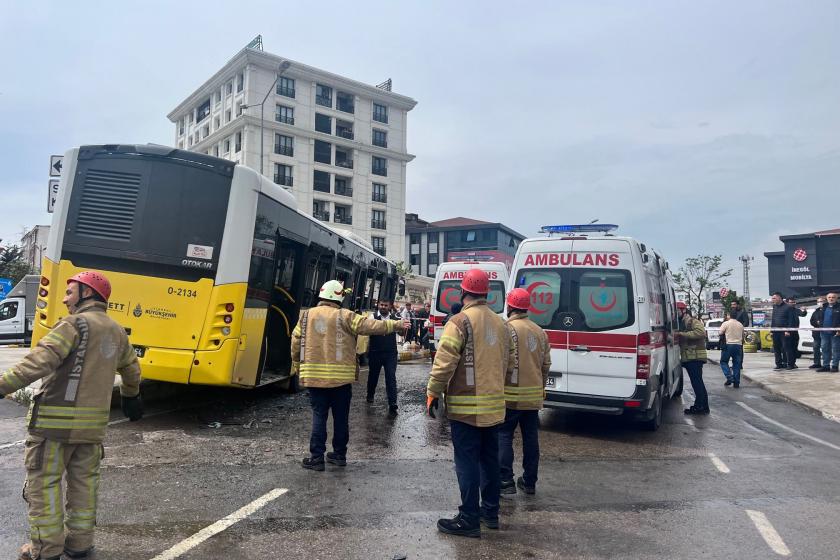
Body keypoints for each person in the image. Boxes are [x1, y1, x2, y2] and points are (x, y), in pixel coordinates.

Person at [0, 271, 142, 560]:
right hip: (92, 432)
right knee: (84, 488)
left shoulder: (73, 324)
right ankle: (79, 544)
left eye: (69, 293)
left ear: (87, 294)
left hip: (53, 428)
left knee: (44, 486)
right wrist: (131, 396)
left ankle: (46, 550)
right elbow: (132, 369)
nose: (64, 300)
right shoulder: (116, 330)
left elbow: (38, 362)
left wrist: (2, 386)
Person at [426, 269, 513, 537]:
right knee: (489, 461)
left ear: (463, 292)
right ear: (487, 292)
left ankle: (469, 518)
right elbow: (508, 364)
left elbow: (443, 364)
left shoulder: (459, 322)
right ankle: (490, 513)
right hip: (495, 408)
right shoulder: (502, 324)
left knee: (466, 463)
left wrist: (433, 392)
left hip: (466, 410)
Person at [291, 280, 408, 471]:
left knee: (319, 416)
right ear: (339, 298)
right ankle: (339, 455)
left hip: (314, 379)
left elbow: (295, 343)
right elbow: (371, 326)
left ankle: (317, 458)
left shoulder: (306, 316)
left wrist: (296, 364)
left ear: (321, 296)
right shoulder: (346, 316)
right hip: (341, 381)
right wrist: (396, 325)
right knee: (341, 417)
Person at [499, 288, 551, 496]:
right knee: (531, 438)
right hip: (533, 397)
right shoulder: (540, 331)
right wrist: (540, 385)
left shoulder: (505, 329)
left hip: (509, 395)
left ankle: (505, 480)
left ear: (510, 306)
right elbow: (546, 365)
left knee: (504, 435)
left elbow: (500, 362)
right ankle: (529, 481)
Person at [366, 299, 400, 416]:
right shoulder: (372, 317)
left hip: (390, 353)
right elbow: (369, 329)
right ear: (378, 305)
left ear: (390, 306)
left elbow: (400, 332)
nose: (383, 307)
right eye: (381, 305)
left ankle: (392, 402)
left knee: (391, 376)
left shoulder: (395, 318)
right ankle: (370, 395)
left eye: (386, 305)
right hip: (375, 352)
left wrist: (404, 327)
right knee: (373, 376)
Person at [676, 302, 709, 414]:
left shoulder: (692, 321)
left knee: (697, 383)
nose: (675, 313)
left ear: (683, 310)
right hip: (689, 358)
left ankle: (699, 407)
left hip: (695, 358)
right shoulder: (682, 322)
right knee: (697, 383)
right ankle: (703, 406)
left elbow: (701, 333)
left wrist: (682, 334)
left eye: (677, 311)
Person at [771, 292, 798, 370]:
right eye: (772, 298)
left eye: (774, 298)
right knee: (776, 348)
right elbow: (773, 319)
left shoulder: (788, 307)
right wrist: (771, 330)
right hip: (776, 331)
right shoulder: (775, 307)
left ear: (779, 298)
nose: (773, 300)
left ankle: (790, 364)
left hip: (784, 331)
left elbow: (791, 320)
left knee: (787, 348)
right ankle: (779, 364)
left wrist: (788, 330)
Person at [719, 312, 745, 388]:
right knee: (737, 364)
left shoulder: (726, 323)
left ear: (729, 315)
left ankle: (729, 377)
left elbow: (720, 332)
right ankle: (736, 382)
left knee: (723, 361)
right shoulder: (740, 324)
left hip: (728, 345)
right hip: (738, 345)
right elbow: (743, 335)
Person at [817, 292, 840, 373]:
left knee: (836, 350)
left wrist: (838, 330)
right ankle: (826, 366)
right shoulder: (823, 307)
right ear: (826, 298)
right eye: (829, 297)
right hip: (824, 333)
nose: (831, 298)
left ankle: (835, 366)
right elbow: (819, 317)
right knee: (824, 349)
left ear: (836, 298)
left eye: (833, 297)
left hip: (836, 333)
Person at [810, 296, 826, 369]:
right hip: (816, 334)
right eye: (819, 301)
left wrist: (821, 323)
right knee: (816, 348)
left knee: (825, 348)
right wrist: (817, 323)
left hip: (826, 333)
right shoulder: (815, 311)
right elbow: (811, 321)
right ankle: (817, 363)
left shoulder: (827, 310)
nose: (820, 303)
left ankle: (826, 364)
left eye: (821, 301)